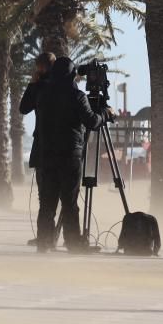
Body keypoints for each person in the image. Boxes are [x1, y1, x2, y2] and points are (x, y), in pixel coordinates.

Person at [33, 57, 111, 253]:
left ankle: (44, 242)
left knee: (47, 203)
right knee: (69, 202)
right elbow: (92, 122)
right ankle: (73, 244)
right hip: (69, 155)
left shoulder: (42, 95)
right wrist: (105, 114)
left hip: (47, 155)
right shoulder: (77, 96)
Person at [20, 51, 56, 172]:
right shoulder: (66, 85)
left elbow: (23, 108)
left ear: (41, 67)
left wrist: (32, 84)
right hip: (63, 145)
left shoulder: (39, 87)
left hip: (43, 144)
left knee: (44, 181)